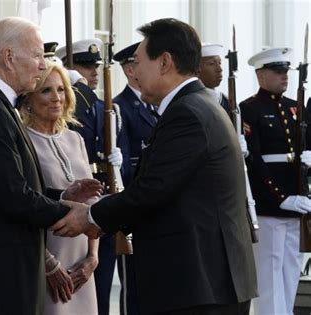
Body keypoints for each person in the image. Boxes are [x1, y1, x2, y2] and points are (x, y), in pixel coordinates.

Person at [51, 18, 258, 315]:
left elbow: (152, 190)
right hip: (205, 281)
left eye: (138, 61)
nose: (133, 71)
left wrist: (92, 215)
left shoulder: (187, 113)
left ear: (164, 62)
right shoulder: (197, 105)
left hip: (199, 285)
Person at [0, 17, 102, 315]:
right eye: (38, 55)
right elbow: (13, 196)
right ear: (9, 57)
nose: (43, 65)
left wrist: (63, 196)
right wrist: (78, 214)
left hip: (5, 272)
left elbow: (14, 186)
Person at [19, 60, 99, 315]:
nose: (56, 98)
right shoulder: (22, 142)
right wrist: (48, 265)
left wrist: (92, 259)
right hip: (45, 264)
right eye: (46, 90)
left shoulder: (75, 138)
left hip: (82, 266)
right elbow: (19, 206)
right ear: (29, 98)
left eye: (62, 89)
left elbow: (91, 206)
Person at [56, 38, 126, 315]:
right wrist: (76, 89)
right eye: (85, 66)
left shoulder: (106, 107)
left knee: (103, 285)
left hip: (105, 200)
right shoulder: (76, 104)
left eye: (95, 67)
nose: (93, 72)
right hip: (78, 203)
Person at [240, 47, 311, 315]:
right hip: (270, 206)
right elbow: (254, 162)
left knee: (290, 272)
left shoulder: (295, 107)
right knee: (269, 276)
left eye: (286, 72)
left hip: (298, 204)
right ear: (261, 75)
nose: (284, 77)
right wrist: (281, 198)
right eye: (278, 72)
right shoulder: (249, 109)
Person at [112, 41, 155, 315]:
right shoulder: (120, 108)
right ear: (130, 70)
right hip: (135, 206)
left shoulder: (157, 105)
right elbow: (125, 165)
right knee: (134, 287)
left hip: (155, 207)